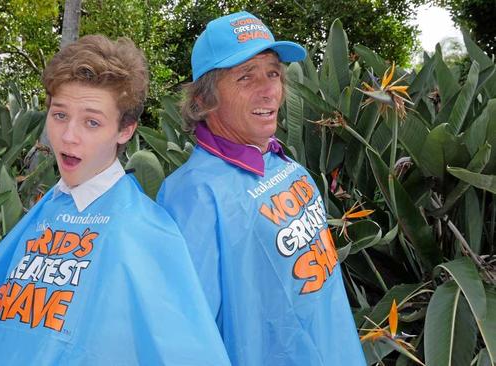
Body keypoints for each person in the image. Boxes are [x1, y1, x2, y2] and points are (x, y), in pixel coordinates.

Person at [0, 34, 230, 365]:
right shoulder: (50, 206)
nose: (69, 136)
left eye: (92, 122)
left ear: (125, 130)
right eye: (59, 115)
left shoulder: (145, 232)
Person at [157, 11, 366, 365]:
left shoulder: (288, 166)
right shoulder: (194, 196)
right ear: (204, 100)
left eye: (272, 72)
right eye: (246, 77)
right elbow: (186, 340)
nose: (268, 89)